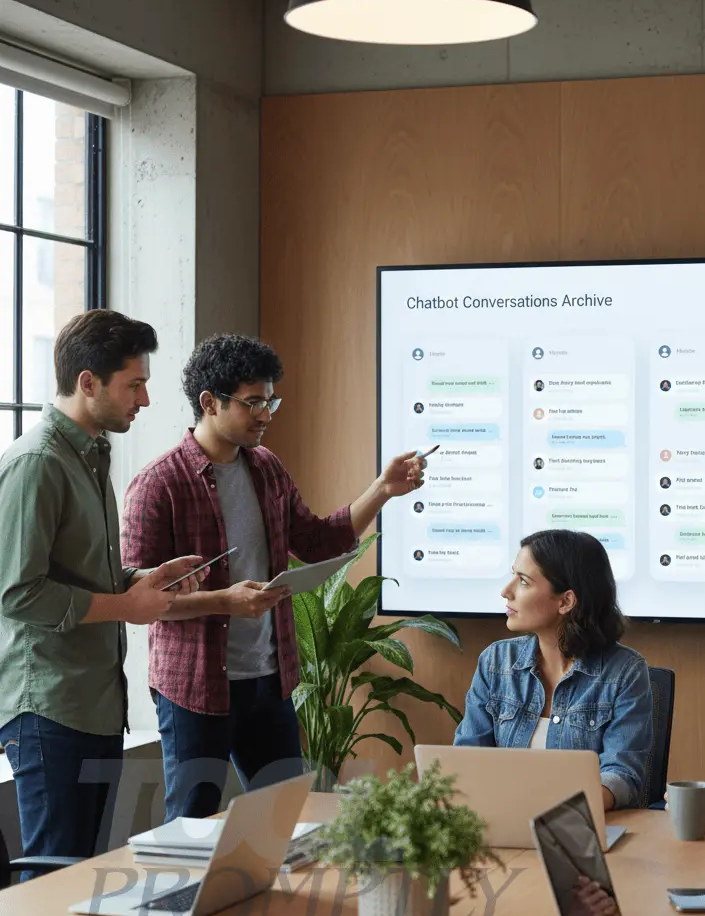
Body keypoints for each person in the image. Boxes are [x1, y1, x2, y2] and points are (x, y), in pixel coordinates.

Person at [121, 334, 428, 821]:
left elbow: (318, 541)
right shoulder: (159, 485)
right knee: (190, 823)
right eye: (253, 403)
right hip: (196, 687)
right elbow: (139, 602)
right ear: (209, 402)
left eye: (270, 401)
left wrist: (382, 490)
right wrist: (225, 601)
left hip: (269, 680)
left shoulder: (266, 469)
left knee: (286, 818)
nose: (265, 414)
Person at [0, 309, 206, 863]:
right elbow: (16, 594)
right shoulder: (37, 463)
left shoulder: (91, 457)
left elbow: (87, 577)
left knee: (81, 872)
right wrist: (127, 605)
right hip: (49, 708)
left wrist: (148, 579)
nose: (143, 400)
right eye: (134, 385)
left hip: (93, 704)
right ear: (87, 383)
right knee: (51, 877)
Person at [454, 529, 653, 810]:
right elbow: (467, 760)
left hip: (580, 829)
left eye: (523, 581)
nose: (506, 591)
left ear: (566, 601)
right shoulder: (495, 662)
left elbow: (622, 776)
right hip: (499, 821)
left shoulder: (626, 672)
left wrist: (554, 806)